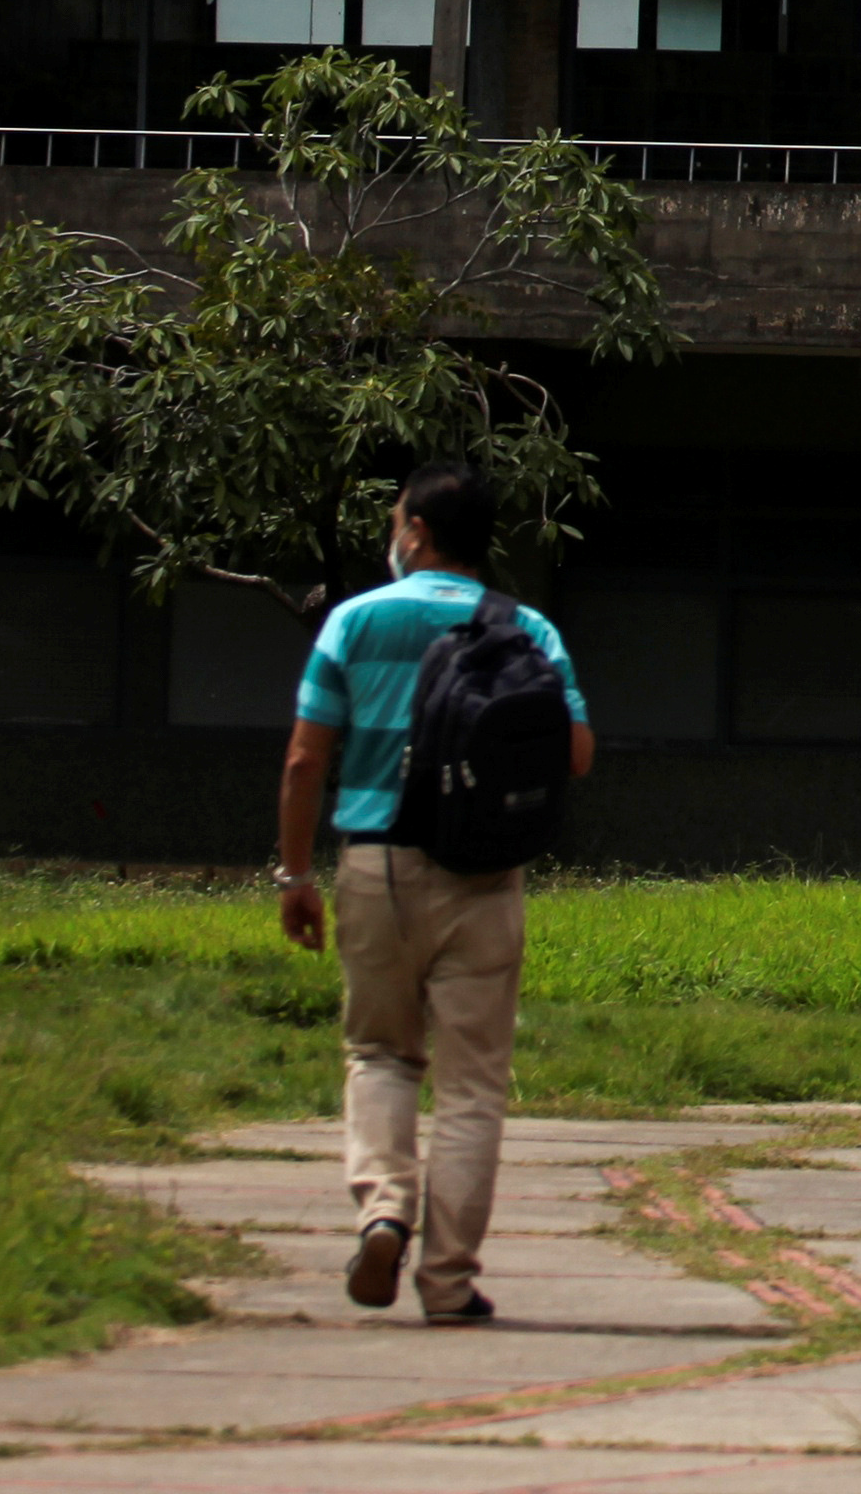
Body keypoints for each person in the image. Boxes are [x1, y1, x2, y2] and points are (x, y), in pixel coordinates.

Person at [274, 458, 592, 1325]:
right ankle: (448, 1284)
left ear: (414, 531)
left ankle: (383, 1210)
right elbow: (576, 754)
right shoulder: (527, 630)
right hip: (485, 876)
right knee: (473, 1086)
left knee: (380, 1055)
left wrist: (295, 875)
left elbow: (307, 759)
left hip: (375, 864)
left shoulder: (353, 621)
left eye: (395, 521)